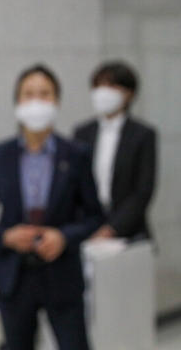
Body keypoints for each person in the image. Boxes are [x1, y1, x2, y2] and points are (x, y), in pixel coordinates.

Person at [0, 64, 104, 350]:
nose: (36, 102)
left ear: (56, 101)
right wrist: (6, 236)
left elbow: (95, 215)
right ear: (17, 102)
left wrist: (64, 236)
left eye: (44, 94)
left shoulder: (76, 154)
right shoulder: (1, 155)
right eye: (29, 94)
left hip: (62, 273)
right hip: (14, 276)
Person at [74, 60, 157, 240]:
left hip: (128, 230)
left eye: (111, 86)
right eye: (98, 86)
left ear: (128, 93)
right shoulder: (82, 133)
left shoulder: (142, 135)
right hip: (87, 226)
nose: (103, 92)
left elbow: (143, 190)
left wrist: (112, 228)